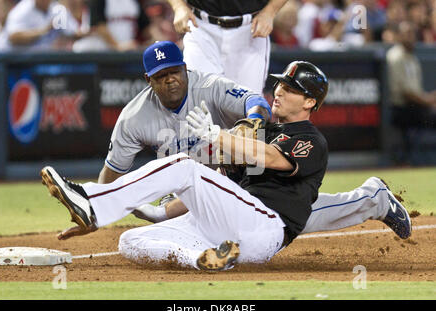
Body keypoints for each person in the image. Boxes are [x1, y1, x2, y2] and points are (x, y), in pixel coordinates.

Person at [40, 61, 412, 271]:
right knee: (130, 240)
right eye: (279, 83)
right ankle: (202, 260)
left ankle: (92, 200)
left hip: (262, 227)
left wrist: (219, 135)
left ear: (311, 102)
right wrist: (154, 212)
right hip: (226, 229)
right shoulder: (260, 129)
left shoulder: (311, 139)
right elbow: (209, 184)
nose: (279, 90)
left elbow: (267, 157)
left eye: (291, 88)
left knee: (186, 165)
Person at [165, 0, 289, 94]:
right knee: (198, 103)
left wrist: (270, 11)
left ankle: (258, 129)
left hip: (250, 28)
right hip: (201, 27)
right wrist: (179, 6)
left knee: (251, 107)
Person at [386, 21, 436, 165]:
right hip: (402, 108)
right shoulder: (395, 56)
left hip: (416, 106)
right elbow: (406, 93)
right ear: (399, 36)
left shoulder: (412, 58)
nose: (411, 38)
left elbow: (416, 90)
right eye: (407, 34)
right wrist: (428, 101)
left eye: (412, 34)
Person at [0, 0, 81, 52]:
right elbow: (13, 37)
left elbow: (74, 33)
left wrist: (91, 33)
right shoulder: (22, 10)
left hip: (42, 60)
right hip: (10, 61)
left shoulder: (58, 9)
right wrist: (44, 31)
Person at [72, 0, 149, 52]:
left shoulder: (133, 2)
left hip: (123, 51)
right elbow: (99, 26)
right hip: (95, 52)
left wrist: (155, 41)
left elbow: (145, 26)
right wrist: (117, 46)